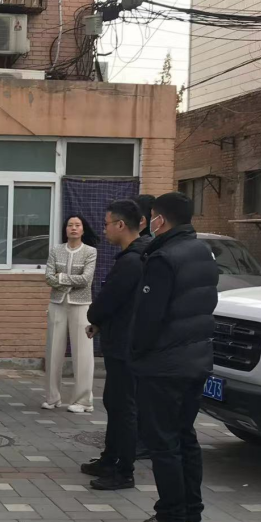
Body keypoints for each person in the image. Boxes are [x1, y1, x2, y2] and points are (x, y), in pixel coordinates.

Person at [128, 192, 218, 522]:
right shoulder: (202, 252)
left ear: (160, 219)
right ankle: (192, 514)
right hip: (196, 359)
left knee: (163, 442)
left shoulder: (164, 258)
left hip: (164, 364)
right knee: (184, 437)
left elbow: (149, 317)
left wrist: (136, 353)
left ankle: (170, 518)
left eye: (151, 216)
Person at [82, 200, 151, 490]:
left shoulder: (132, 261)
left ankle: (124, 471)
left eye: (107, 224)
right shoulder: (138, 255)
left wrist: (95, 317)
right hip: (122, 341)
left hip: (126, 346)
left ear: (121, 225)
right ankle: (109, 458)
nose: (104, 230)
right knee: (114, 403)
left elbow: (109, 300)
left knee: (124, 408)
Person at [43, 214, 98, 413]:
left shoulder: (90, 252)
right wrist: (65, 280)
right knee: (53, 351)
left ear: (83, 229)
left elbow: (86, 279)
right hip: (57, 303)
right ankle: (52, 397)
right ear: (65, 229)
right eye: (70, 225)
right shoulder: (55, 250)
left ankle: (83, 401)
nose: (73, 228)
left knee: (83, 353)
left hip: (81, 304)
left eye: (77, 225)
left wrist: (61, 278)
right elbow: (48, 277)